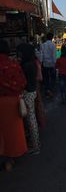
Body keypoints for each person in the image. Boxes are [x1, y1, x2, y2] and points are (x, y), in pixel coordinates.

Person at [0, 40, 27, 171]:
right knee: (11, 132)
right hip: (12, 102)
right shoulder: (13, 65)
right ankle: (9, 159)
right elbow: (22, 83)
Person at [17, 43, 40, 155]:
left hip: (28, 92)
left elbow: (23, 81)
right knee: (32, 118)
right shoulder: (32, 63)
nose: (19, 55)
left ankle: (35, 146)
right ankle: (35, 143)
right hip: (32, 91)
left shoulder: (26, 65)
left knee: (31, 119)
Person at [41, 32, 56, 97]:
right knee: (52, 78)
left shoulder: (43, 45)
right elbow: (54, 55)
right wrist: (54, 63)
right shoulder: (53, 45)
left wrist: (41, 62)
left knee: (46, 78)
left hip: (45, 64)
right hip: (52, 64)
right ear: (52, 37)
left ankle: (47, 91)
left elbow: (41, 55)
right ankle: (52, 90)